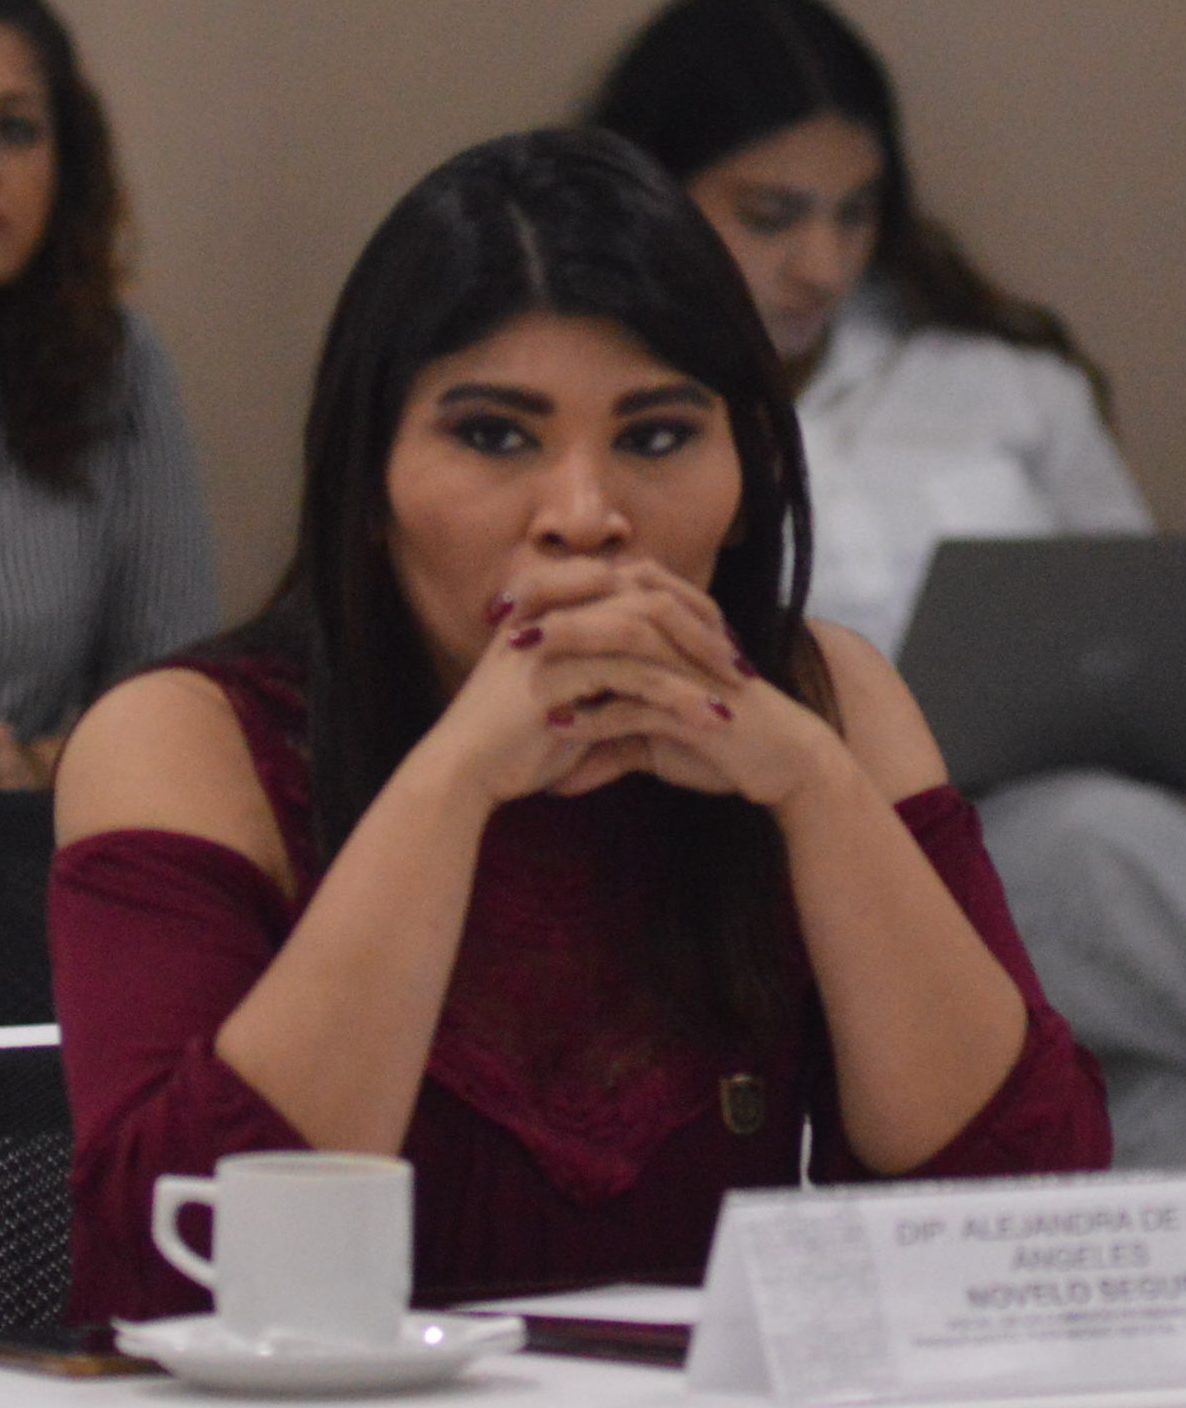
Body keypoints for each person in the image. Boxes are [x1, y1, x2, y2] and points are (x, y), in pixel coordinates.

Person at [47, 128, 1110, 1322]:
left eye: (656, 437)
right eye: (494, 435)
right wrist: (454, 781)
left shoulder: (830, 704)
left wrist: (815, 790)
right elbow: (173, 1268)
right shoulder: (185, 740)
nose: (584, 515)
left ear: (751, 474)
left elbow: (1026, 1227)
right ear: (368, 480)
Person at [590, 0, 1186, 1169]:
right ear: (657, 193)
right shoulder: (622, 410)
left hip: (1050, 835)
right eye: (770, 216)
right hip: (789, 860)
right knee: (1094, 839)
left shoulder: (998, 381)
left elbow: (1136, 617)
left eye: (855, 213)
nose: (822, 263)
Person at [0, 0, 215, 791]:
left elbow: (177, 706)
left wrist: (32, 763)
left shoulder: (114, 366)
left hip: (29, 834)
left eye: (14, 130)